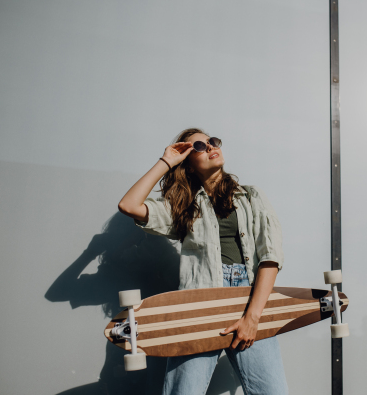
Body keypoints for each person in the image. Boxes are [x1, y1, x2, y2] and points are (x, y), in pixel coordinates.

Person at [117, 127, 289, 395]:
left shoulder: (252, 197)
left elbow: (270, 258)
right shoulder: (183, 207)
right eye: (199, 147)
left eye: (212, 142)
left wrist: (252, 317)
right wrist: (166, 161)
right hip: (199, 306)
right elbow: (129, 205)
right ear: (188, 165)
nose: (210, 147)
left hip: (251, 300)